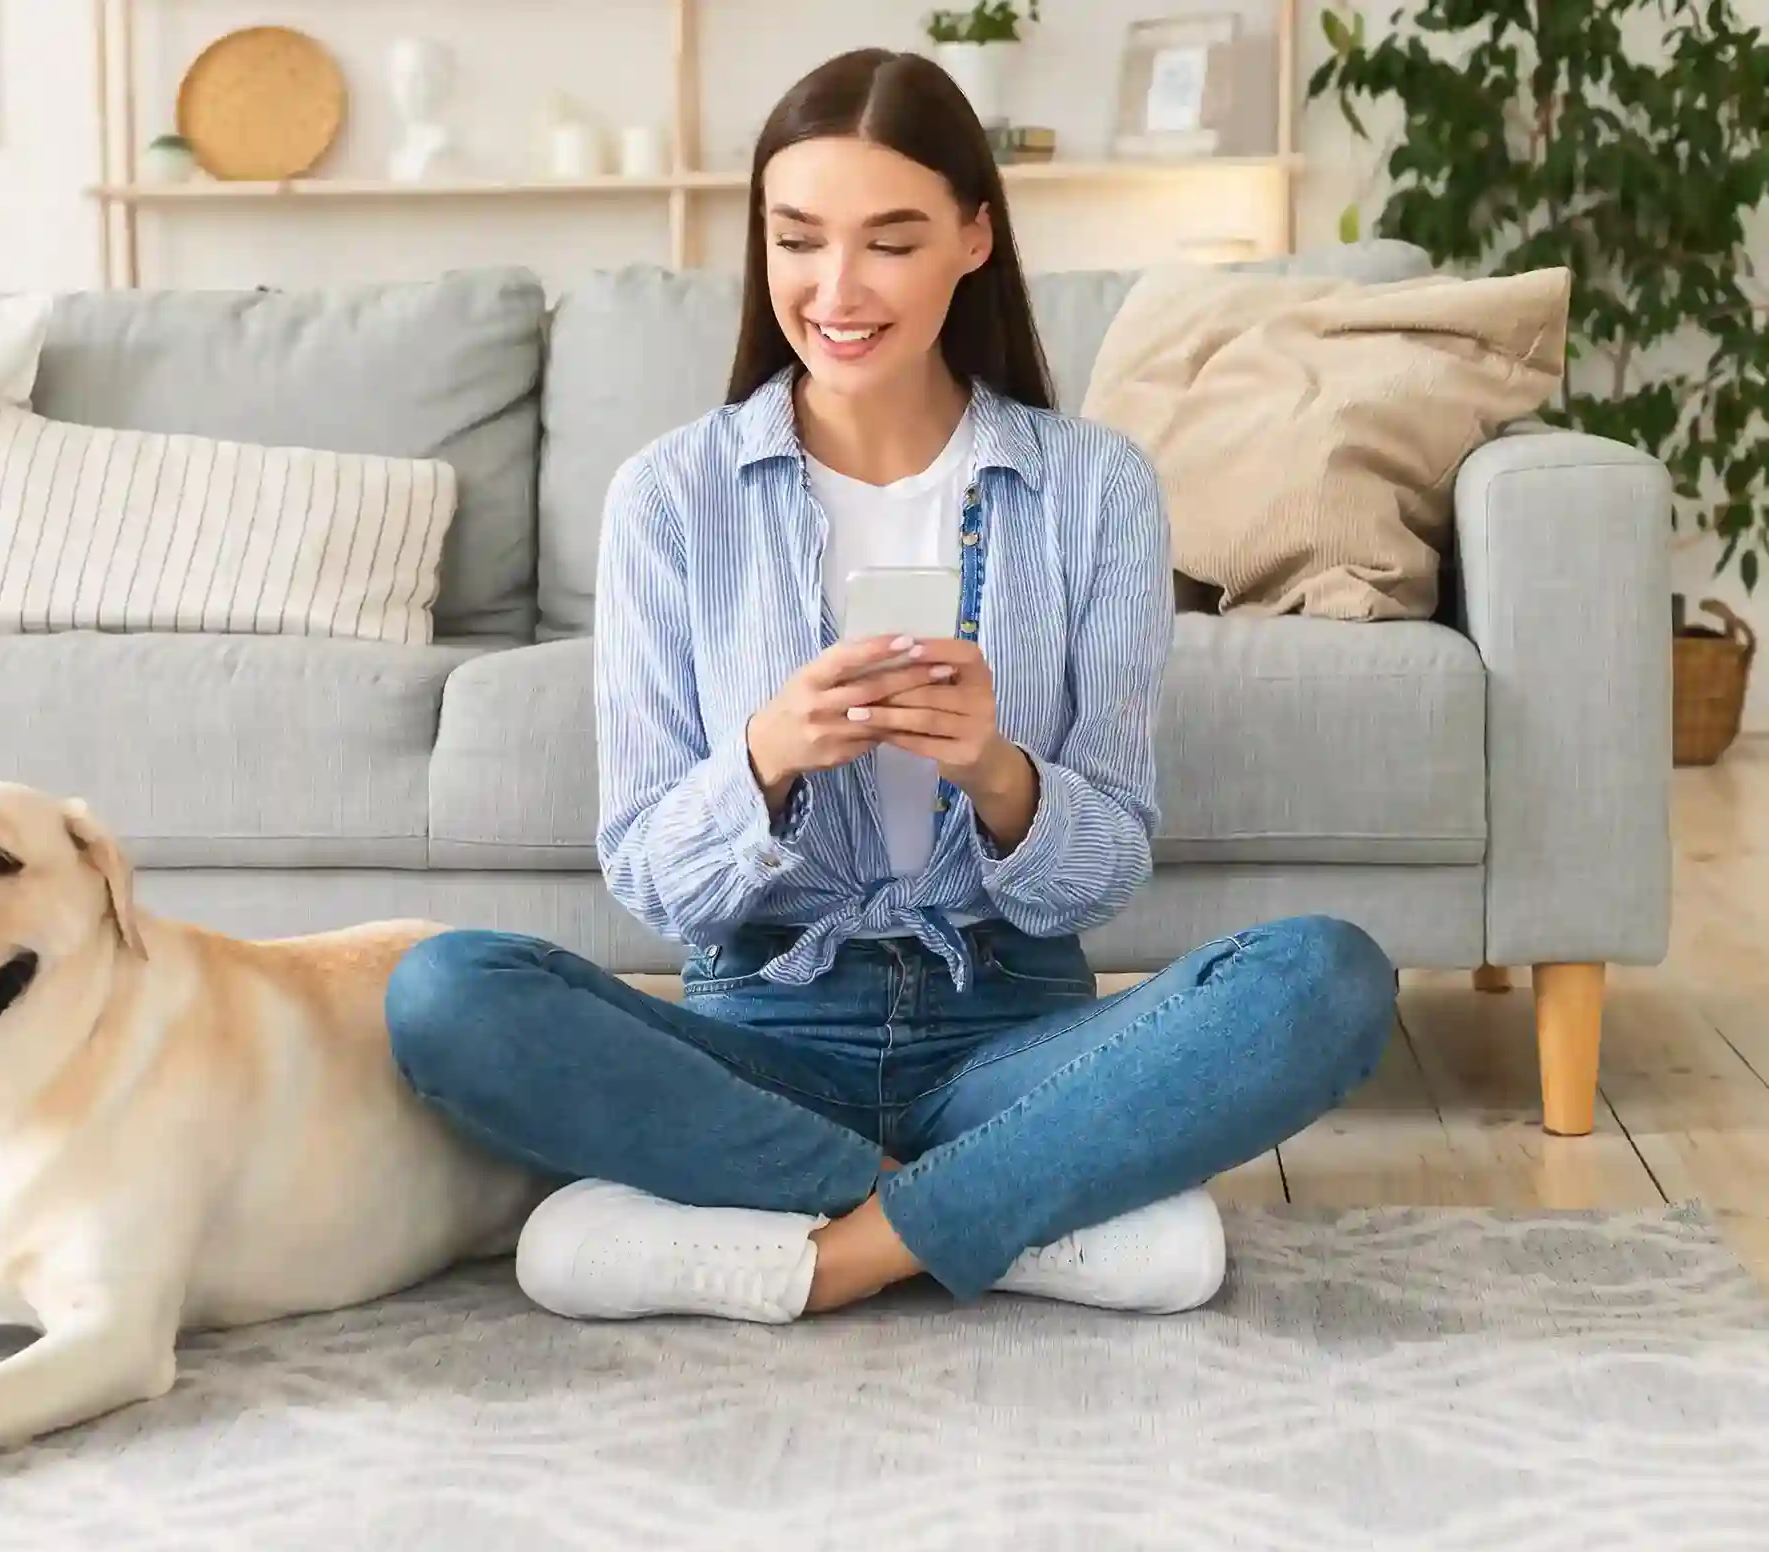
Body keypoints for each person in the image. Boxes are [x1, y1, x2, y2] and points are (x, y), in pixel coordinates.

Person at [383, 48, 1396, 1327]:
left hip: (1012, 1035)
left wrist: (1000, 773)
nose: (836, 289)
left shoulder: (1096, 488)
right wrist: (764, 757)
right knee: (443, 993)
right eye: (798, 240)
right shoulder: (669, 495)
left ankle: (837, 1247)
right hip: (760, 1034)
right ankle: (1008, 1218)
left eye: (891, 242)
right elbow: (646, 875)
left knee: (1328, 979)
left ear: (975, 237)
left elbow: (1109, 870)